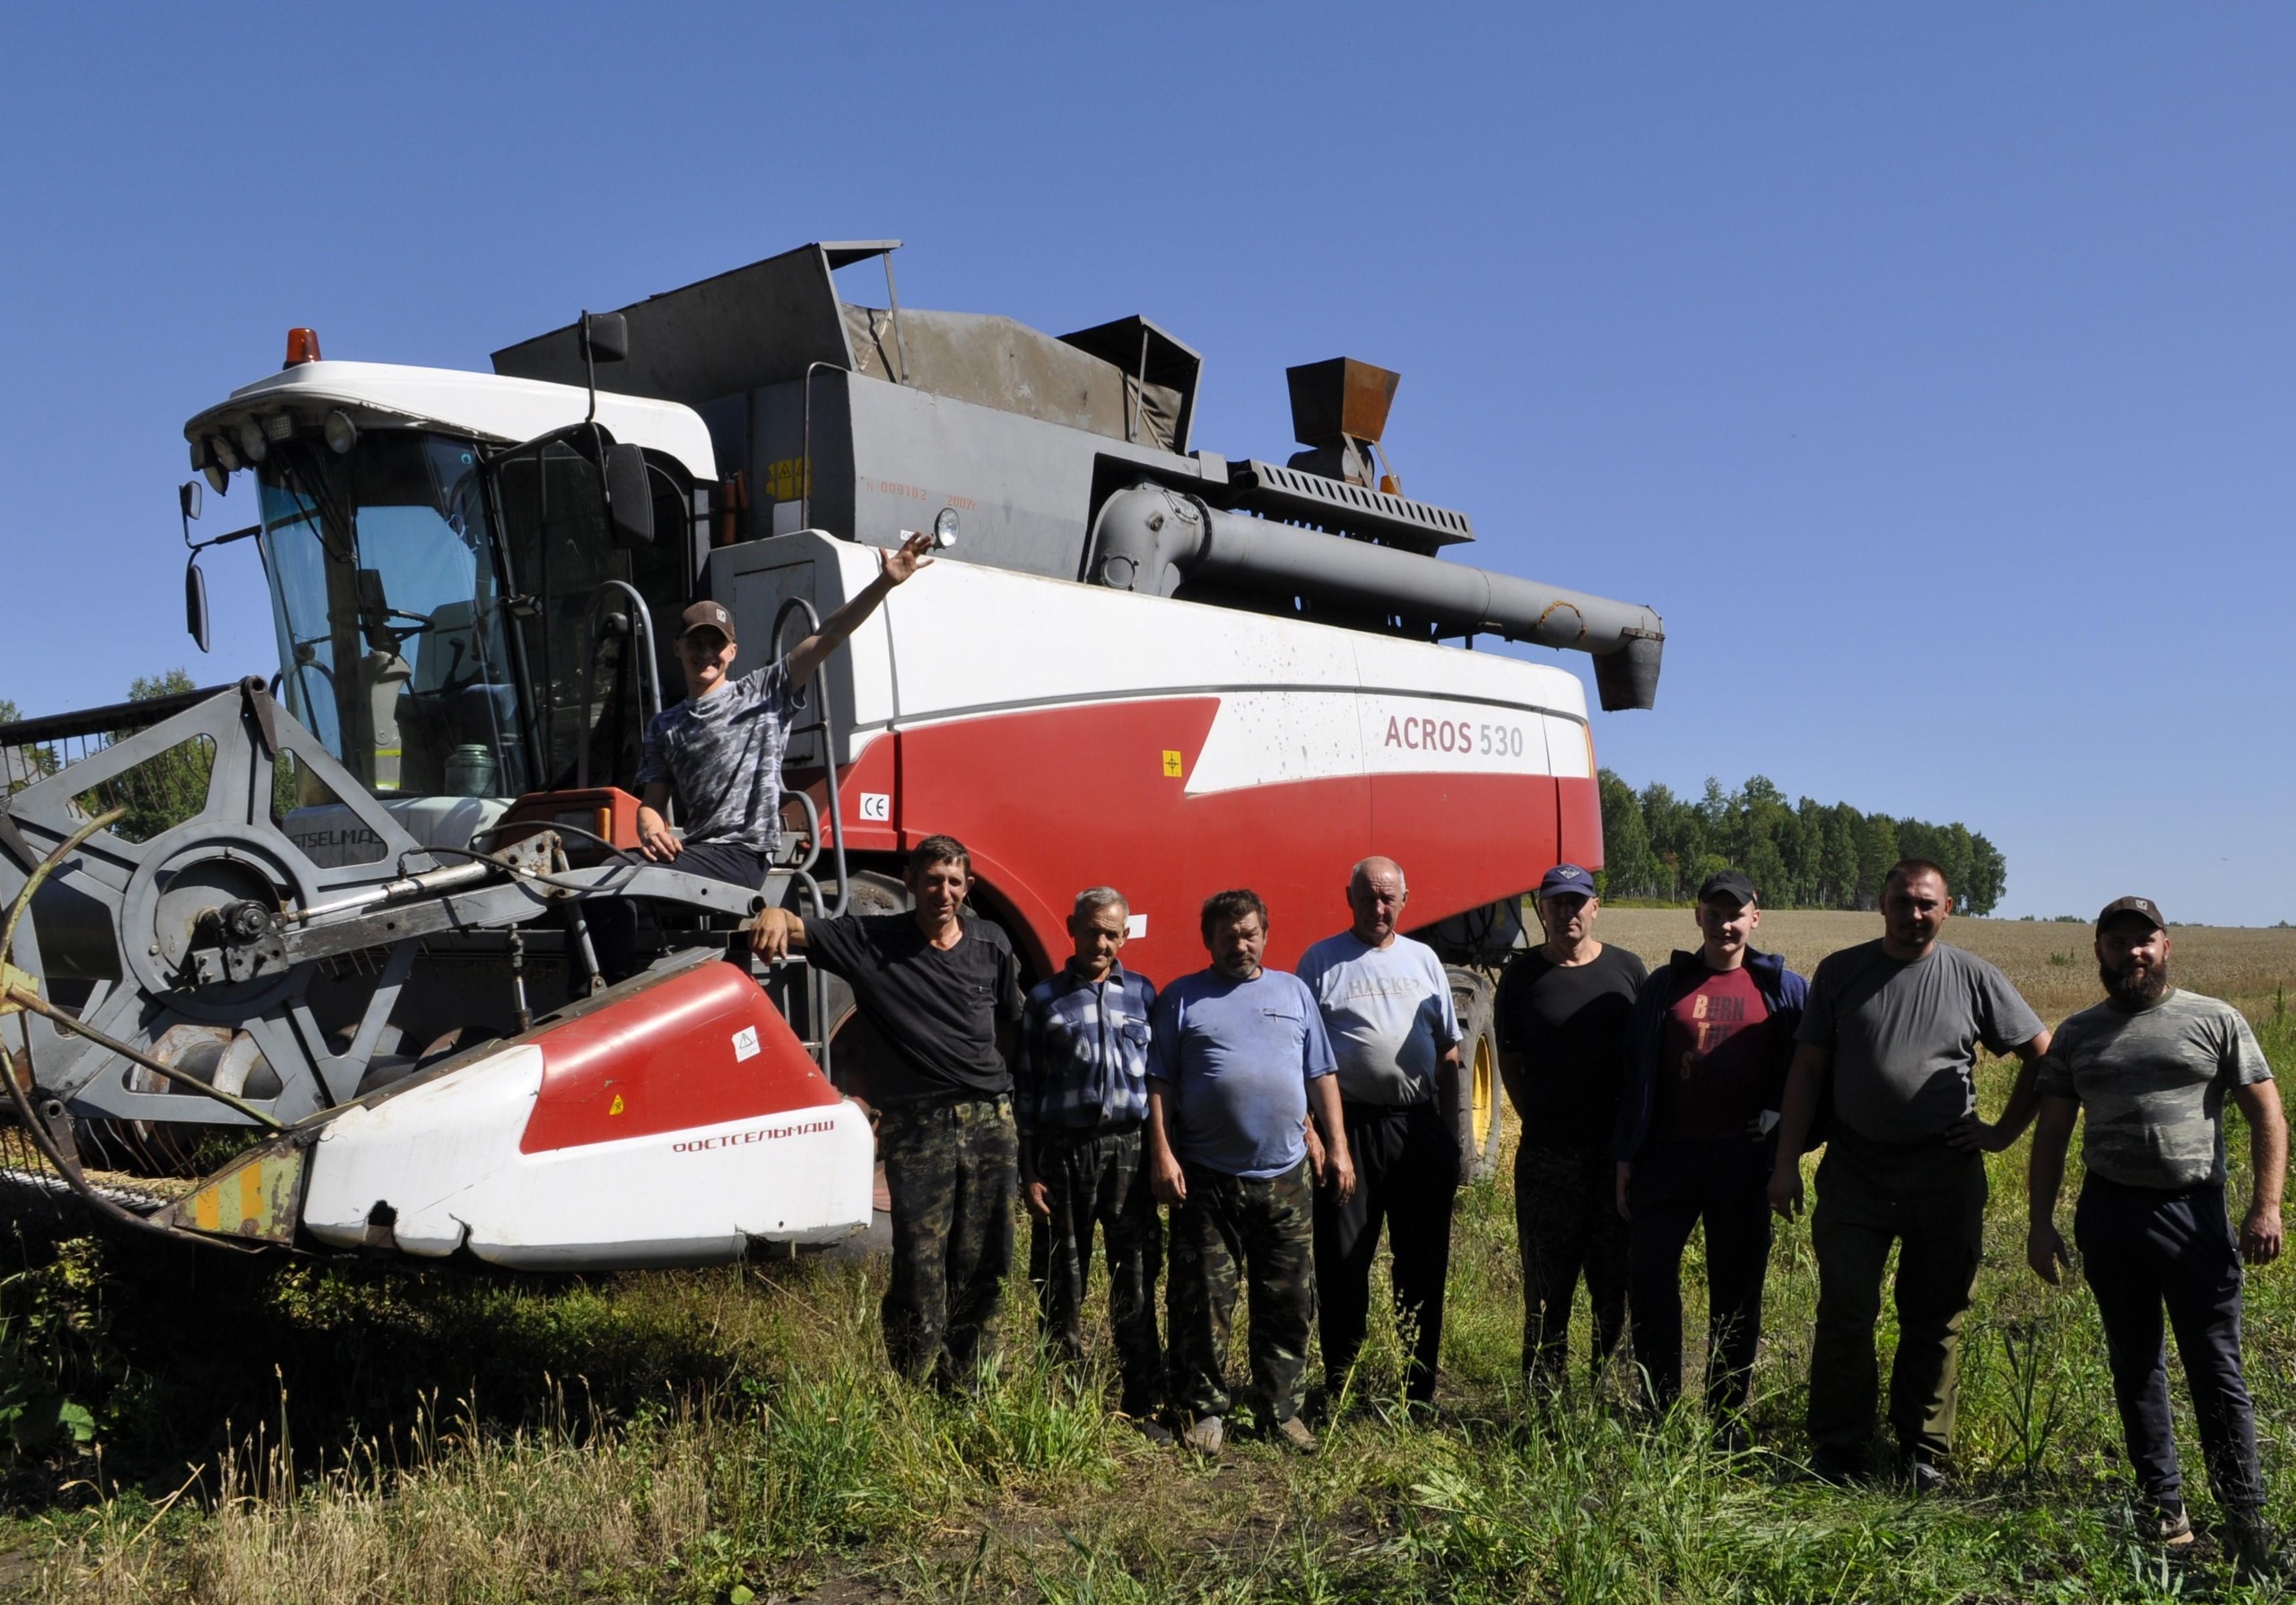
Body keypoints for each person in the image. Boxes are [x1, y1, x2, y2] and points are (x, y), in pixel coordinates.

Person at [1769, 859, 2050, 1487]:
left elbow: (2042, 1053)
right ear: (1882, 903)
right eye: (1902, 900)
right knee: (1846, 1308)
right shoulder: (1842, 973)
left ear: (1947, 907)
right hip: (1855, 1174)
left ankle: (1921, 1451)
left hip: (1943, 1176)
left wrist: (2002, 1131)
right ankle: (1840, 1448)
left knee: (1935, 1315)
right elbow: (1807, 1070)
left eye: (1926, 903)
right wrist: (1785, 1162)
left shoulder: (1974, 977)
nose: (1914, 913)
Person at [2027, 896, 2286, 1574]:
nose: (2132, 953)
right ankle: (2163, 1510)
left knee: (2217, 1369)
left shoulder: (2215, 1019)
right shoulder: (2078, 1033)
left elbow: (2267, 1113)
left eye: (2144, 941)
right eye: (2118, 942)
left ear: (2166, 946)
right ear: (2100, 951)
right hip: (2110, 1214)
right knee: (2134, 1363)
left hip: (2193, 1213)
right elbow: (2052, 1133)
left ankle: (2245, 1521)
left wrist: (2266, 1207)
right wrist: (2039, 1221)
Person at [595, 531, 935, 981]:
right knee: (598, 879)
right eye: (695, 643)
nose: (705, 653)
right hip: (698, 851)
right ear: (677, 649)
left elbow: (828, 636)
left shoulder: (764, 691)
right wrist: (650, 826)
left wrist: (884, 583)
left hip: (742, 855)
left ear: (731, 652)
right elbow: (653, 804)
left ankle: (608, 998)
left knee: (615, 878)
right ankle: (605, 992)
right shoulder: (665, 725)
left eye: (716, 645)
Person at [750, 836, 1022, 1387]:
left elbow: (1014, 1026)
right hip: (918, 1126)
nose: (942, 891)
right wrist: (775, 912)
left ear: (967, 888)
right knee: (919, 1261)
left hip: (991, 1119)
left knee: (987, 1257)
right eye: (931, 879)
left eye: (953, 881)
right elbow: (798, 927)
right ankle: (915, 1380)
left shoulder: (992, 943)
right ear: (911, 882)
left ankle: (971, 1379)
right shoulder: (870, 940)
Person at [1147, 888, 1355, 1455]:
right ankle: (1206, 1412)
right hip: (1208, 1179)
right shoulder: (1181, 999)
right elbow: (1159, 1084)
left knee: (1288, 1299)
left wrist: (1336, 1145)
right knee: (1202, 1301)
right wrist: (1161, 1153)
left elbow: (1321, 1073)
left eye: (1249, 933)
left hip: (1286, 1177)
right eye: (1228, 935)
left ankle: (1280, 1410)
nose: (1241, 944)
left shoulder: (1293, 992)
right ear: (1207, 940)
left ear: (1265, 932)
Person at [1613, 869, 1806, 1441]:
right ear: (1697, 915)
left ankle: (1726, 1418)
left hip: (1742, 1165)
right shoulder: (1665, 985)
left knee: (1738, 1289)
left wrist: (1781, 1126)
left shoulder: (1783, 988)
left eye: (1736, 912)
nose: (1725, 922)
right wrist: (1626, 1154)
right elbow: (1634, 1075)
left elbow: (1810, 1068)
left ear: (1755, 916)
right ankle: (1660, 1410)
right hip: (1666, 1159)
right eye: (1714, 911)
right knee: (1649, 1281)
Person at [1297, 857, 1464, 1409]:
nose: (1378, 908)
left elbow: (1449, 1051)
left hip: (1416, 1127)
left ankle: (1418, 1391)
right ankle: (1341, 1385)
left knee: (1421, 1263)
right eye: (1367, 897)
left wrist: (1449, 1137)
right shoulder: (1320, 962)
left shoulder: (1424, 959)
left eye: (1388, 898)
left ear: (1405, 899)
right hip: (1350, 1129)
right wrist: (1319, 1137)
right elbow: (1299, 1057)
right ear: (1349, 898)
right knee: (1343, 1260)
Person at [1014, 886, 1166, 1436]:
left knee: (1138, 1273)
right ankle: (1064, 1402)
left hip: (1130, 1149)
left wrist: (1161, 1155)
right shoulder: (1045, 1000)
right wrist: (1028, 1169)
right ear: (1073, 928)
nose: (1100, 942)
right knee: (1061, 1279)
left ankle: (1144, 1400)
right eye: (1092, 930)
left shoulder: (1145, 995)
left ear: (1124, 937)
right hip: (1064, 1152)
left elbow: (1158, 1083)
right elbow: (1025, 1090)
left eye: (1112, 933)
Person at [1495, 863, 1648, 1389]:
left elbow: (1642, 1063)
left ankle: (1613, 1399)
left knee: (1616, 1286)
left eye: (1576, 901)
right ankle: (1544, 1408)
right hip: (1547, 1157)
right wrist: (1539, 1116)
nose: (1567, 912)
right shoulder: (1520, 977)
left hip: (1616, 1158)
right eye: (1555, 902)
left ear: (1595, 906)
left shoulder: (1628, 971)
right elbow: (1510, 1061)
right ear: (1541, 909)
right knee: (1545, 1287)